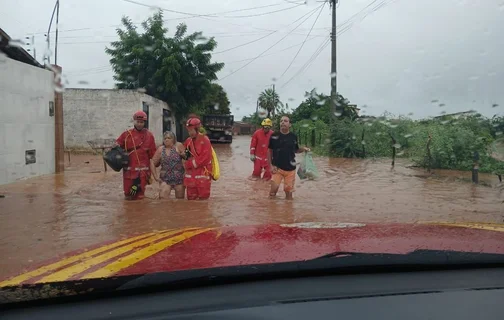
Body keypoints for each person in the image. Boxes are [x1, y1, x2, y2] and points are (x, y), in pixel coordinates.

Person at [115, 110, 157, 200]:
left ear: (145, 122)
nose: (139, 124)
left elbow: (153, 156)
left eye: (141, 122)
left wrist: (153, 173)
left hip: (142, 173)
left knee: (140, 196)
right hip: (128, 171)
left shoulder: (149, 136)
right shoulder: (126, 135)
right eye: (138, 122)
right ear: (134, 121)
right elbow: (117, 146)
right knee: (127, 194)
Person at [267, 116, 310, 200]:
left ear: (290, 124)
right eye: (281, 121)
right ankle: (271, 211)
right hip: (277, 168)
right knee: (272, 193)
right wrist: (270, 166)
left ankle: (288, 212)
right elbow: (269, 151)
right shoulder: (274, 135)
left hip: (290, 170)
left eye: (285, 121)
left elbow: (296, 150)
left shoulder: (293, 136)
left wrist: (304, 149)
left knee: (289, 195)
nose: (282, 122)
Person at [183, 117, 213, 200]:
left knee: (203, 198)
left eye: (192, 130)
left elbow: (205, 158)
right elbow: (186, 156)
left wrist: (189, 164)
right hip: (191, 175)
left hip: (203, 173)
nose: (190, 133)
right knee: (191, 198)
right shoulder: (188, 141)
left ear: (197, 129)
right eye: (189, 131)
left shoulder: (205, 140)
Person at [152, 131, 186, 199]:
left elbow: (188, 158)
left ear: (173, 139)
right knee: (163, 199)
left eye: (169, 138)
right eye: (165, 138)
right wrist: (155, 177)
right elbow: (152, 162)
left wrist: (186, 173)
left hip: (179, 178)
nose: (166, 139)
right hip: (165, 178)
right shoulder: (160, 149)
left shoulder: (178, 146)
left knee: (180, 201)